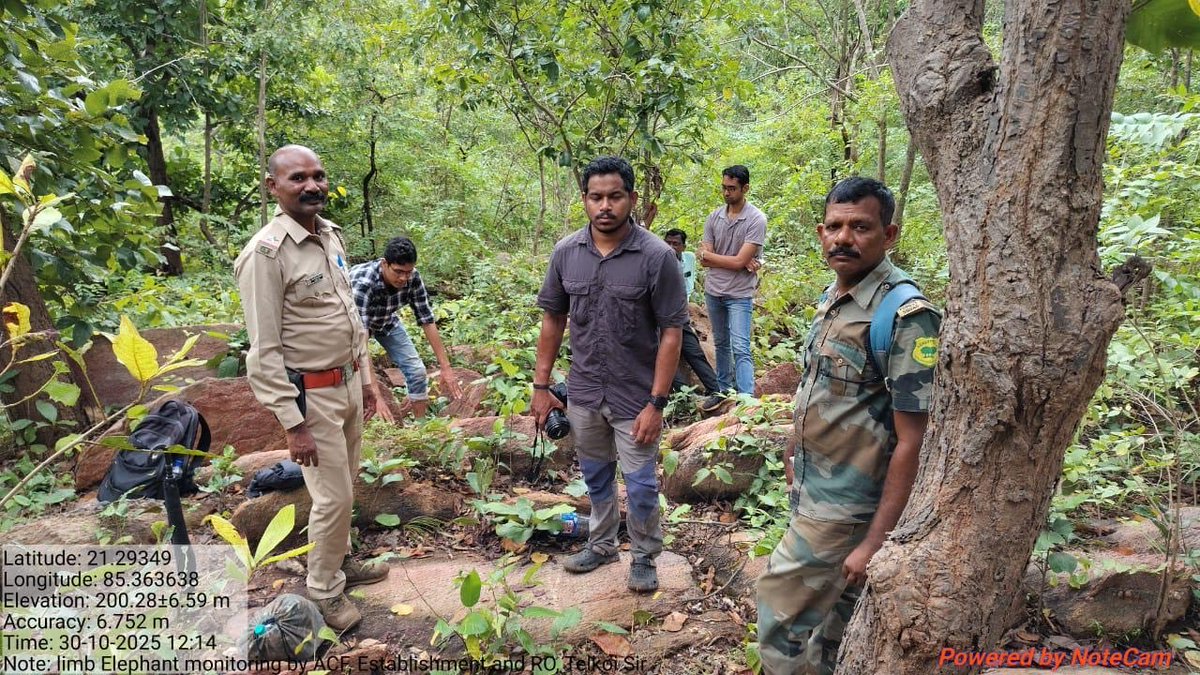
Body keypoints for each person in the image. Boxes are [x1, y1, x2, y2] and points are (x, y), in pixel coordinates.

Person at [755, 177, 941, 675]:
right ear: (820, 232)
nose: (844, 238)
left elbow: (914, 438)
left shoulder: (905, 315)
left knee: (777, 614)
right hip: (816, 492)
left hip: (849, 508)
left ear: (889, 233)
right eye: (834, 227)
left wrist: (876, 539)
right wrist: (796, 460)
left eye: (860, 227)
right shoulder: (835, 296)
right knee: (831, 631)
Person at [235, 145, 390, 632]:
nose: (312, 186)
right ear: (273, 187)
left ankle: (340, 564)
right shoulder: (265, 255)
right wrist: (292, 423)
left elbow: (349, 318)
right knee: (332, 497)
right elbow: (263, 349)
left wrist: (366, 380)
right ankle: (323, 590)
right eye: (298, 178)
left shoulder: (329, 235)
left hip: (346, 384)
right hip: (312, 397)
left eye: (318, 176)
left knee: (346, 486)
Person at [532, 156, 688, 593]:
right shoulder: (566, 253)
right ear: (584, 200)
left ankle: (643, 556)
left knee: (639, 485)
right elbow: (553, 321)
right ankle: (601, 544)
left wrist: (657, 403)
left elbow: (672, 333)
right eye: (596, 197)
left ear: (631, 199)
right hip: (583, 392)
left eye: (614, 196)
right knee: (596, 476)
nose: (605, 206)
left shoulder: (657, 257)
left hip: (635, 397)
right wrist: (541, 387)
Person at [349, 237, 463, 419]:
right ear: (385, 264)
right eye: (398, 272)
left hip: (386, 320)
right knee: (351, 379)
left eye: (408, 272)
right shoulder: (363, 283)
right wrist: (376, 395)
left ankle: (420, 426)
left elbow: (427, 319)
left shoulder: (413, 277)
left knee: (417, 371)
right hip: (350, 328)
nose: (403, 278)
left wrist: (446, 368)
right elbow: (360, 341)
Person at [699, 165, 766, 397]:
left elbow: (734, 261)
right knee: (721, 344)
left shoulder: (756, 219)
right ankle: (723, 390)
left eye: (732, 188)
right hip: (713, 290)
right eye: (724, 188)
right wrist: (737, 260)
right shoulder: (713, 217)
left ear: (745, 188)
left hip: (739, 293)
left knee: (740, 346)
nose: (727, 193)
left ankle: (746, 398)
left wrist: (715, 257)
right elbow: (703, 259)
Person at [662, 229, 722, 409]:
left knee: (693, 350)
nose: (671, 247)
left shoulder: (688, 258)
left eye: (676, 244)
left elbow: (688, 286)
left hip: (679, 312)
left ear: (683, 246)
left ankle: (715, 390)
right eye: (668, 243)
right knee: (662, 354)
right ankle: (686, 396)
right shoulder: (657, 259)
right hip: (658, 315)